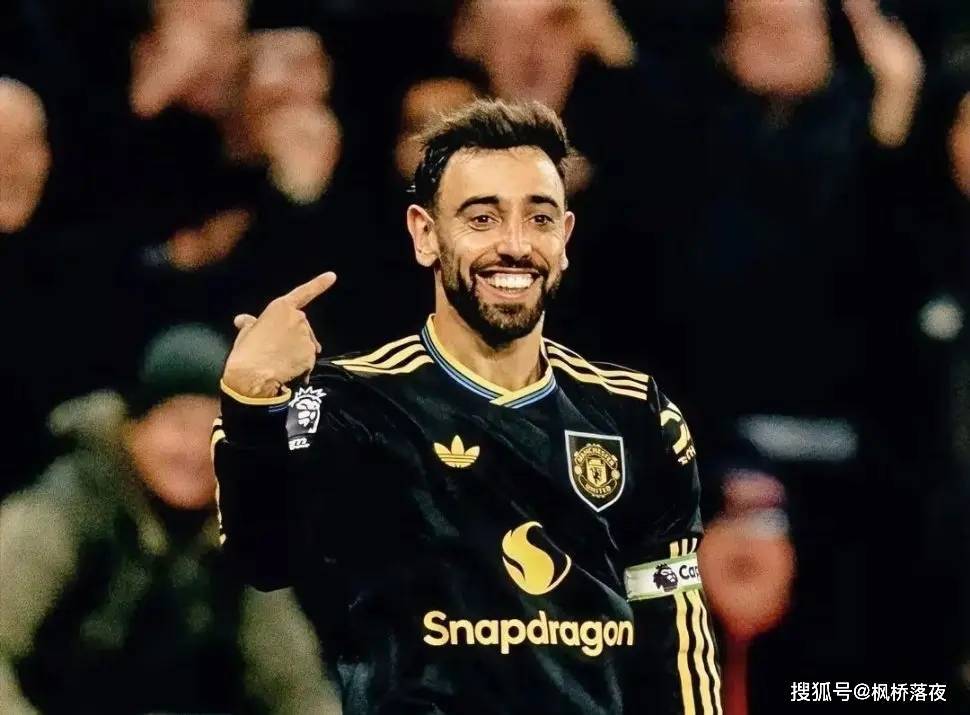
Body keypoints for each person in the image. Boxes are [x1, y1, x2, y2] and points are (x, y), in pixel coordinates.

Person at [214, 100, 722, 714]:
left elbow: (676, 641)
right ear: (425, 234)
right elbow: (262, 559)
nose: (515, 245)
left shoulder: (636, 416)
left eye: (539, 218)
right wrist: (250, 404)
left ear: (564, 238)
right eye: (482, 218)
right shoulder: (353, 405)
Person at [0, 325, 338, 714]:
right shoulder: (64, 508)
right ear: (133, 428)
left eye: (213, 431)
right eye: (179, 425)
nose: (193, 450)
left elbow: (296, 686)